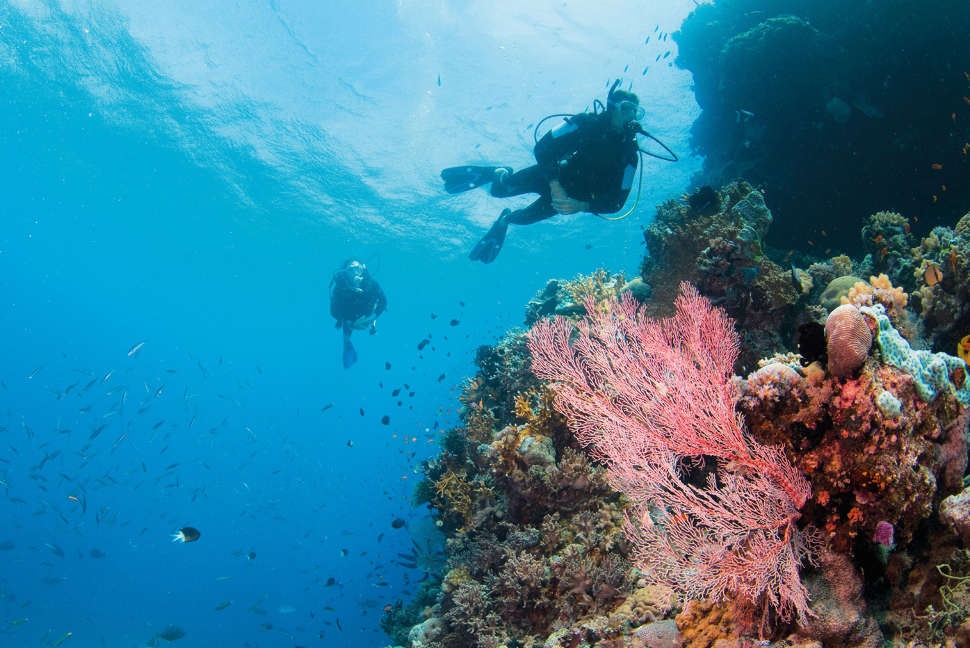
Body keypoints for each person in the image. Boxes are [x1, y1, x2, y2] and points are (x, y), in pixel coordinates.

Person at [441, 80, 646, 263]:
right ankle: (499, 173)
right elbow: (543, 148)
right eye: (627, 109)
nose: (632, 116)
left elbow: (616, 203)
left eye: (636, 111)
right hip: (551, 175)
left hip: (569, 199)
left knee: (524, 219)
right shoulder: (584, 123)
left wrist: (581, 205)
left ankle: (504, 219)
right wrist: (555, 184)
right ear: (612, 107)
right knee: (500, 190)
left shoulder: (629, 156)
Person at [329, 259, 387, 368]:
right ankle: (347, 345)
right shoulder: (340, 287)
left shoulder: (371, 283)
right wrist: (350, 323)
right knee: (346, 335)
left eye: (358, 268)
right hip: (349, 317)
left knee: (372, 313)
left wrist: (372, 318)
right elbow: (334, 312)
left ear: (363, 269)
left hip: (368, 314)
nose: (355, 272)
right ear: (345, 272)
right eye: (351, 269)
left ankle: (372, 325)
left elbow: (383, 301)